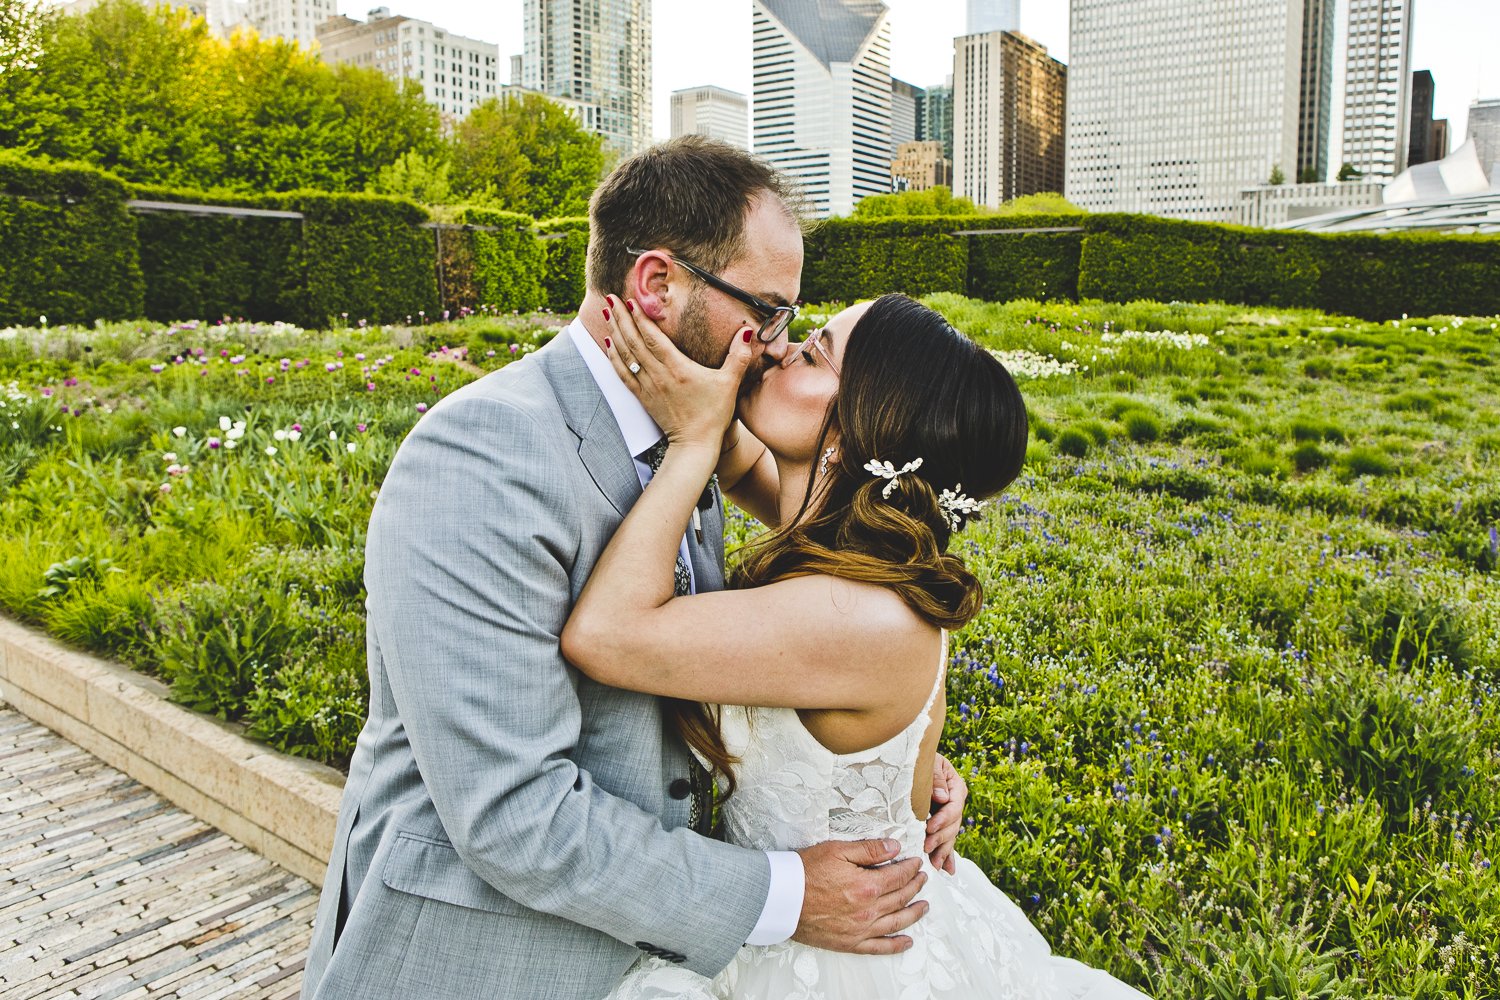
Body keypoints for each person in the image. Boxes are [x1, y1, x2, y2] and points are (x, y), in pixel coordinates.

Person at [301, 137, 973, 1000]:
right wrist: (790, 894)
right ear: (659, 286)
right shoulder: (484, 454)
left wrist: (895, 777)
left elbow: (793, 626)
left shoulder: (694, 429)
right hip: (487, 963)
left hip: (652, 953)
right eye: (766, 312)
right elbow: (512, 816)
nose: (773, 346)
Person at [563, 293, 1153, 998]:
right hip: (804, 910)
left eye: (813, 352)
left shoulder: (856, 615)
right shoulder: (834, 550)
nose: (780, 350)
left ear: (852, 433)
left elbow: (603, 636)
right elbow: (736, 455)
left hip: (842, 959)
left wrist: (690, 444)